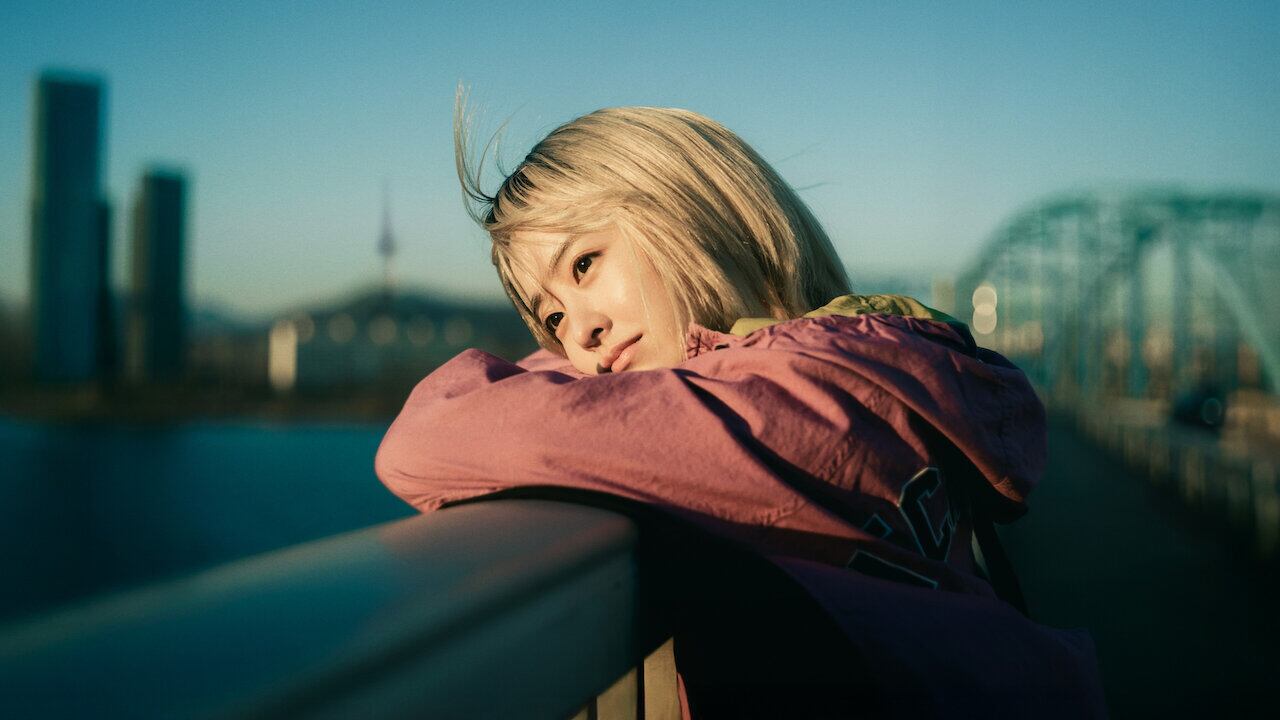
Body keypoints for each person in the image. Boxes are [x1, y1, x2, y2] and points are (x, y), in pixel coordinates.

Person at [375, 104, 1105, 718]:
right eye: (553, 318)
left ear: (688, 206)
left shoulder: (787, 405)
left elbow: (424, 441)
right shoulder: (867, 369)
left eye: (585, 263)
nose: (580, 336)